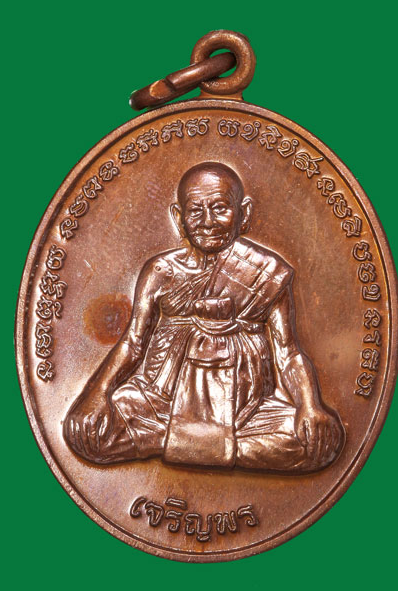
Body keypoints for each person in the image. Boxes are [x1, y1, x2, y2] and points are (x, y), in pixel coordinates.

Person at [64, 162, 344, 473]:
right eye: (196, 211)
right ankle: (210, 445)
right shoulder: (162, 271)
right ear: (178, 217)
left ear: (243, 214)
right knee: (88, 435)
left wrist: (309, 404)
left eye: (220, 208)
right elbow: (133, 342)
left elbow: (287, 353)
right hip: (161, 403)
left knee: (321, 442)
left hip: (245, 412)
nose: (208, 222)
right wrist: (97, 393)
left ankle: (181, 443)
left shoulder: (267, 273)